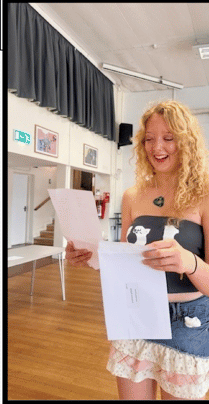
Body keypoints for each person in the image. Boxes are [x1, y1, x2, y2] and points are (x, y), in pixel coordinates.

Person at [67, 100, 209, 399]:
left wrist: (189, 262)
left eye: (169, 138)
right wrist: (92, 257)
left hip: (186, 321)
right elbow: (127, 264)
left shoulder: (204, 196)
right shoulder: (132, 195)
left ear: (187, 142)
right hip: (134, 313)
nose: (157, 147)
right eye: (149, 139)